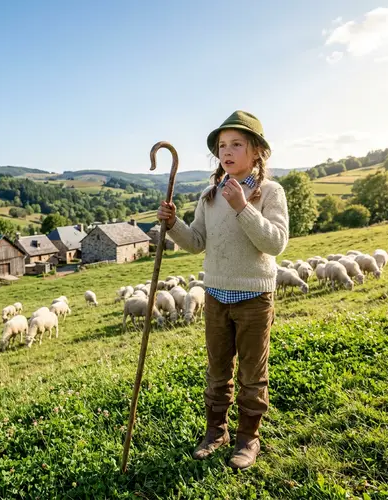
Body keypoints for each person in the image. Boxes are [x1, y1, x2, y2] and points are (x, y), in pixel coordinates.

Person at [157, 110, 289, 470]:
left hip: (254, 298)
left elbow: (275, 243)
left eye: (236, 144)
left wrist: (243, 207)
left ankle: (248, 438)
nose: (227, 152)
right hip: (215, 295)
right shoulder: (209, 195)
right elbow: (197, 241)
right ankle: (216, 432)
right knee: (217, 370)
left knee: (252, 373)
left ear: (257, 151)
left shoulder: (270, 193)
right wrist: (173, 225)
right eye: (221, 146)